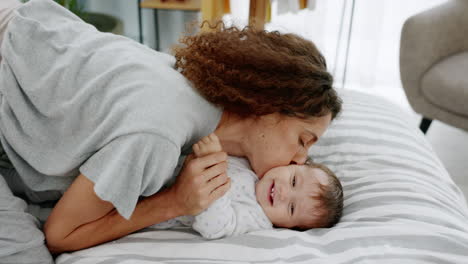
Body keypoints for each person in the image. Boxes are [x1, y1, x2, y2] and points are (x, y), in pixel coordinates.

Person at [0, 0, 342, 262]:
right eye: (303, 141)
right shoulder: (159, 135)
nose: (301, 160)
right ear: (268, 109)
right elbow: (60, 235)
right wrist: (173, 203)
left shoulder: (203, 93)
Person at [152, 133, 343, 239]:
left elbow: (214, 226)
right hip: (163, 161)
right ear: (293, 165)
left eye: (291, 208)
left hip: (155, 202)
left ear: (287, 227)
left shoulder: (256, 219)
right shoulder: (258, 166)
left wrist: (211, 162)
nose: (284, 194)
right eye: (293, 181)